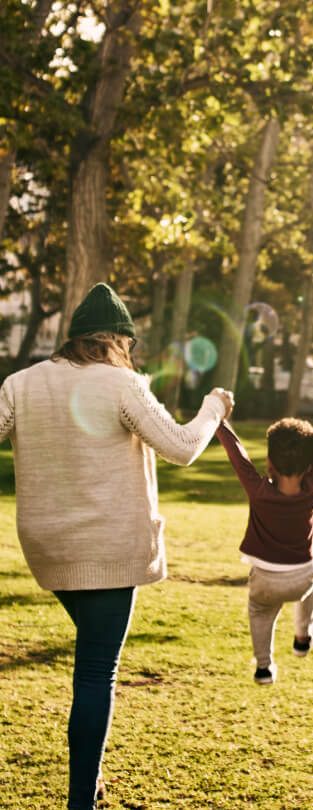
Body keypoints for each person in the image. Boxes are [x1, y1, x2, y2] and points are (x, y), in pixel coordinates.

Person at [0, 282, 234, 810]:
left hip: (46, 545)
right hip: (105, 546)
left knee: (93, 649)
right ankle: (82, 798)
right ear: (115, 341)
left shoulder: (20, 382)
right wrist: (213, 407)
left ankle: (93, 783)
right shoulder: (122, 383)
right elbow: (180, 447)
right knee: (96, 670)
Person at [216, 415, 313, 684]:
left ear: (269, 464)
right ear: (308, 466)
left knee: (259, 612)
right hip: (302, 579)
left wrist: (220, 421)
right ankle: (303, 636)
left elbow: (237, 454)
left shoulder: (258, 491)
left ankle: (264, 668)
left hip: (265, 582)